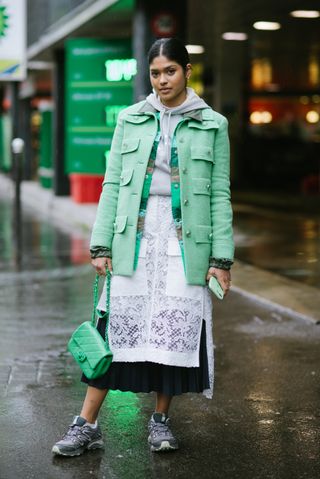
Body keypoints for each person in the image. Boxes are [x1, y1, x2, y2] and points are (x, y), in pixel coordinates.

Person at [52, 37, 234, 457]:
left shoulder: (213, 124)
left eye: (170, 71)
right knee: (114, 329)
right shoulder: (131, 119)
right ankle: (86, 424)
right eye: (155, 73)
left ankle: (160, 420)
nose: (162, 80)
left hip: (184, 241)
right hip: (132, 237)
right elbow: (112, 183)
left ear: (187, 71)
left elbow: (220, 193)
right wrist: (101, 245)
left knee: (171, 332)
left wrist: (221, 259)